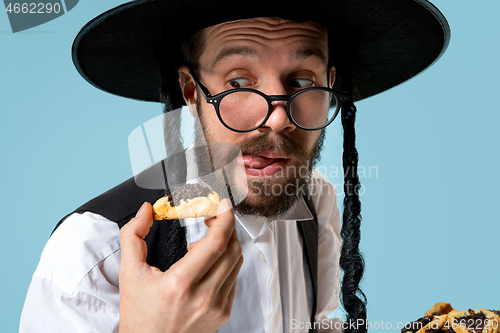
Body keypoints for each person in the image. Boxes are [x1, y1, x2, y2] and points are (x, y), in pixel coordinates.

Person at [20, 0, 450, 332]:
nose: (277, 117)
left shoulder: (317, 201)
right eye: (239, 83)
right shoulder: (91, 255)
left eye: (302, 82)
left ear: (329, 86)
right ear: (191, 92)